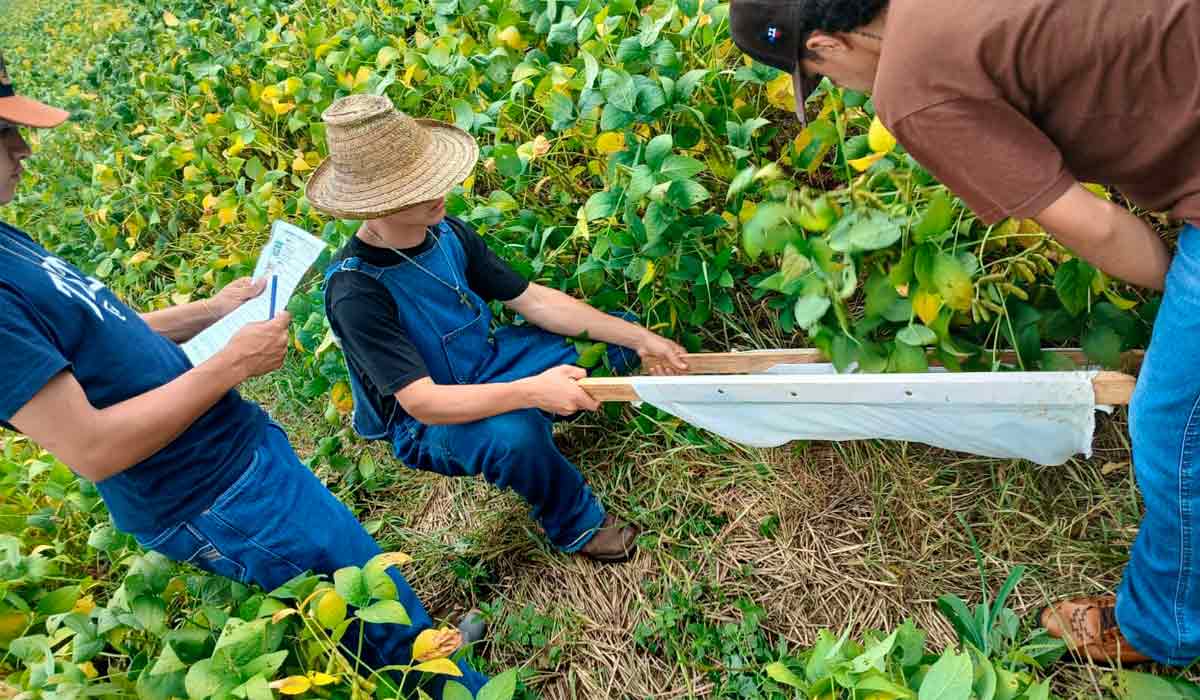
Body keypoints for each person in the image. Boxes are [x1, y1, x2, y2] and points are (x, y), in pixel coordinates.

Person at [728, 0, 1200, 667]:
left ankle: (1161, 629)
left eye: (819, 75)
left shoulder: (911, 88)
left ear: (830, 47)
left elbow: (1092, 226)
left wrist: (1182, 287)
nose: (836, 87)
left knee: (1171, 426)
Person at [0, 53, 487, 696]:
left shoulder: (6, 239)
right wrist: (232, 363)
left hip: (232, 457)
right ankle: (453, 683)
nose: (24, 150)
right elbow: (92, 448)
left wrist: (212, 310)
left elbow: (98, 333)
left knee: (363, 573)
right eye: (6, 135)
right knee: (359, 597)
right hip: (209, 493)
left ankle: (435, 651)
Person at [307, 95, 690, 563]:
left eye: (432, 176)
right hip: (427, 419)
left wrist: (640, 338)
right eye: (416, 187)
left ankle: (552, 401)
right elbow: (422, 402)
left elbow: (533, 300)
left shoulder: (449, 232)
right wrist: (532, 392)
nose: (439, 191)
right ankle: (578, 524)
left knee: (617, 338)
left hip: (490, 361)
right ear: (375, 203)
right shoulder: (356, 291)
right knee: (516, 436)